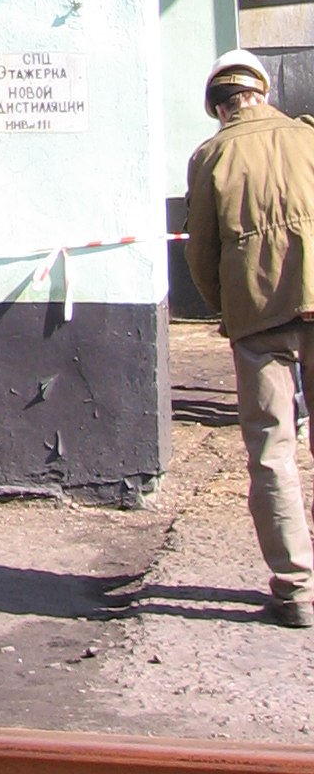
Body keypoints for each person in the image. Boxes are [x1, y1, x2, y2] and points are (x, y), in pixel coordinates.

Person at [185, 46, 314, 628]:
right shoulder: (307, 137)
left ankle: (296, 590)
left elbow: (200, 253)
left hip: (259, 319)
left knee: (272, 453)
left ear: (219, 107)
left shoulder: (211, 156)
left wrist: (228, 306)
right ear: (263, 92)